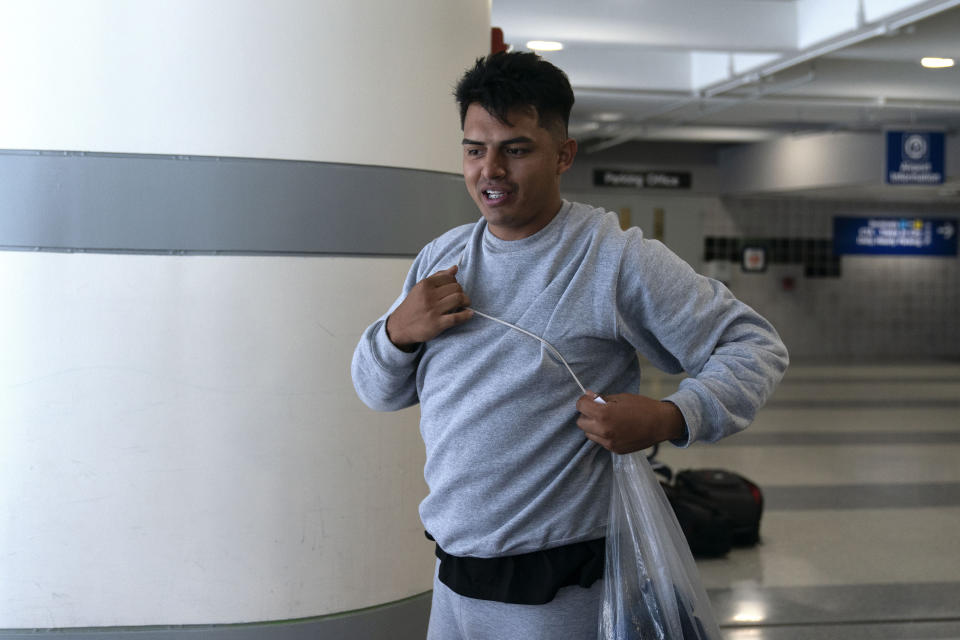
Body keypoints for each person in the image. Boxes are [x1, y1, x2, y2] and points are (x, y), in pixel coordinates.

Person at [351, 51, 788, 640]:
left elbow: (754, 345)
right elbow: (377, 393)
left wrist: (669, 416)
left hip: (561, 588)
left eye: (517, 148)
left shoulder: (613, 258)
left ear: (563, 155)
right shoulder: (443, 257)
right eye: (474, 150)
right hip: (455, 576)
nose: (491, 171)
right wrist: (396, 334)